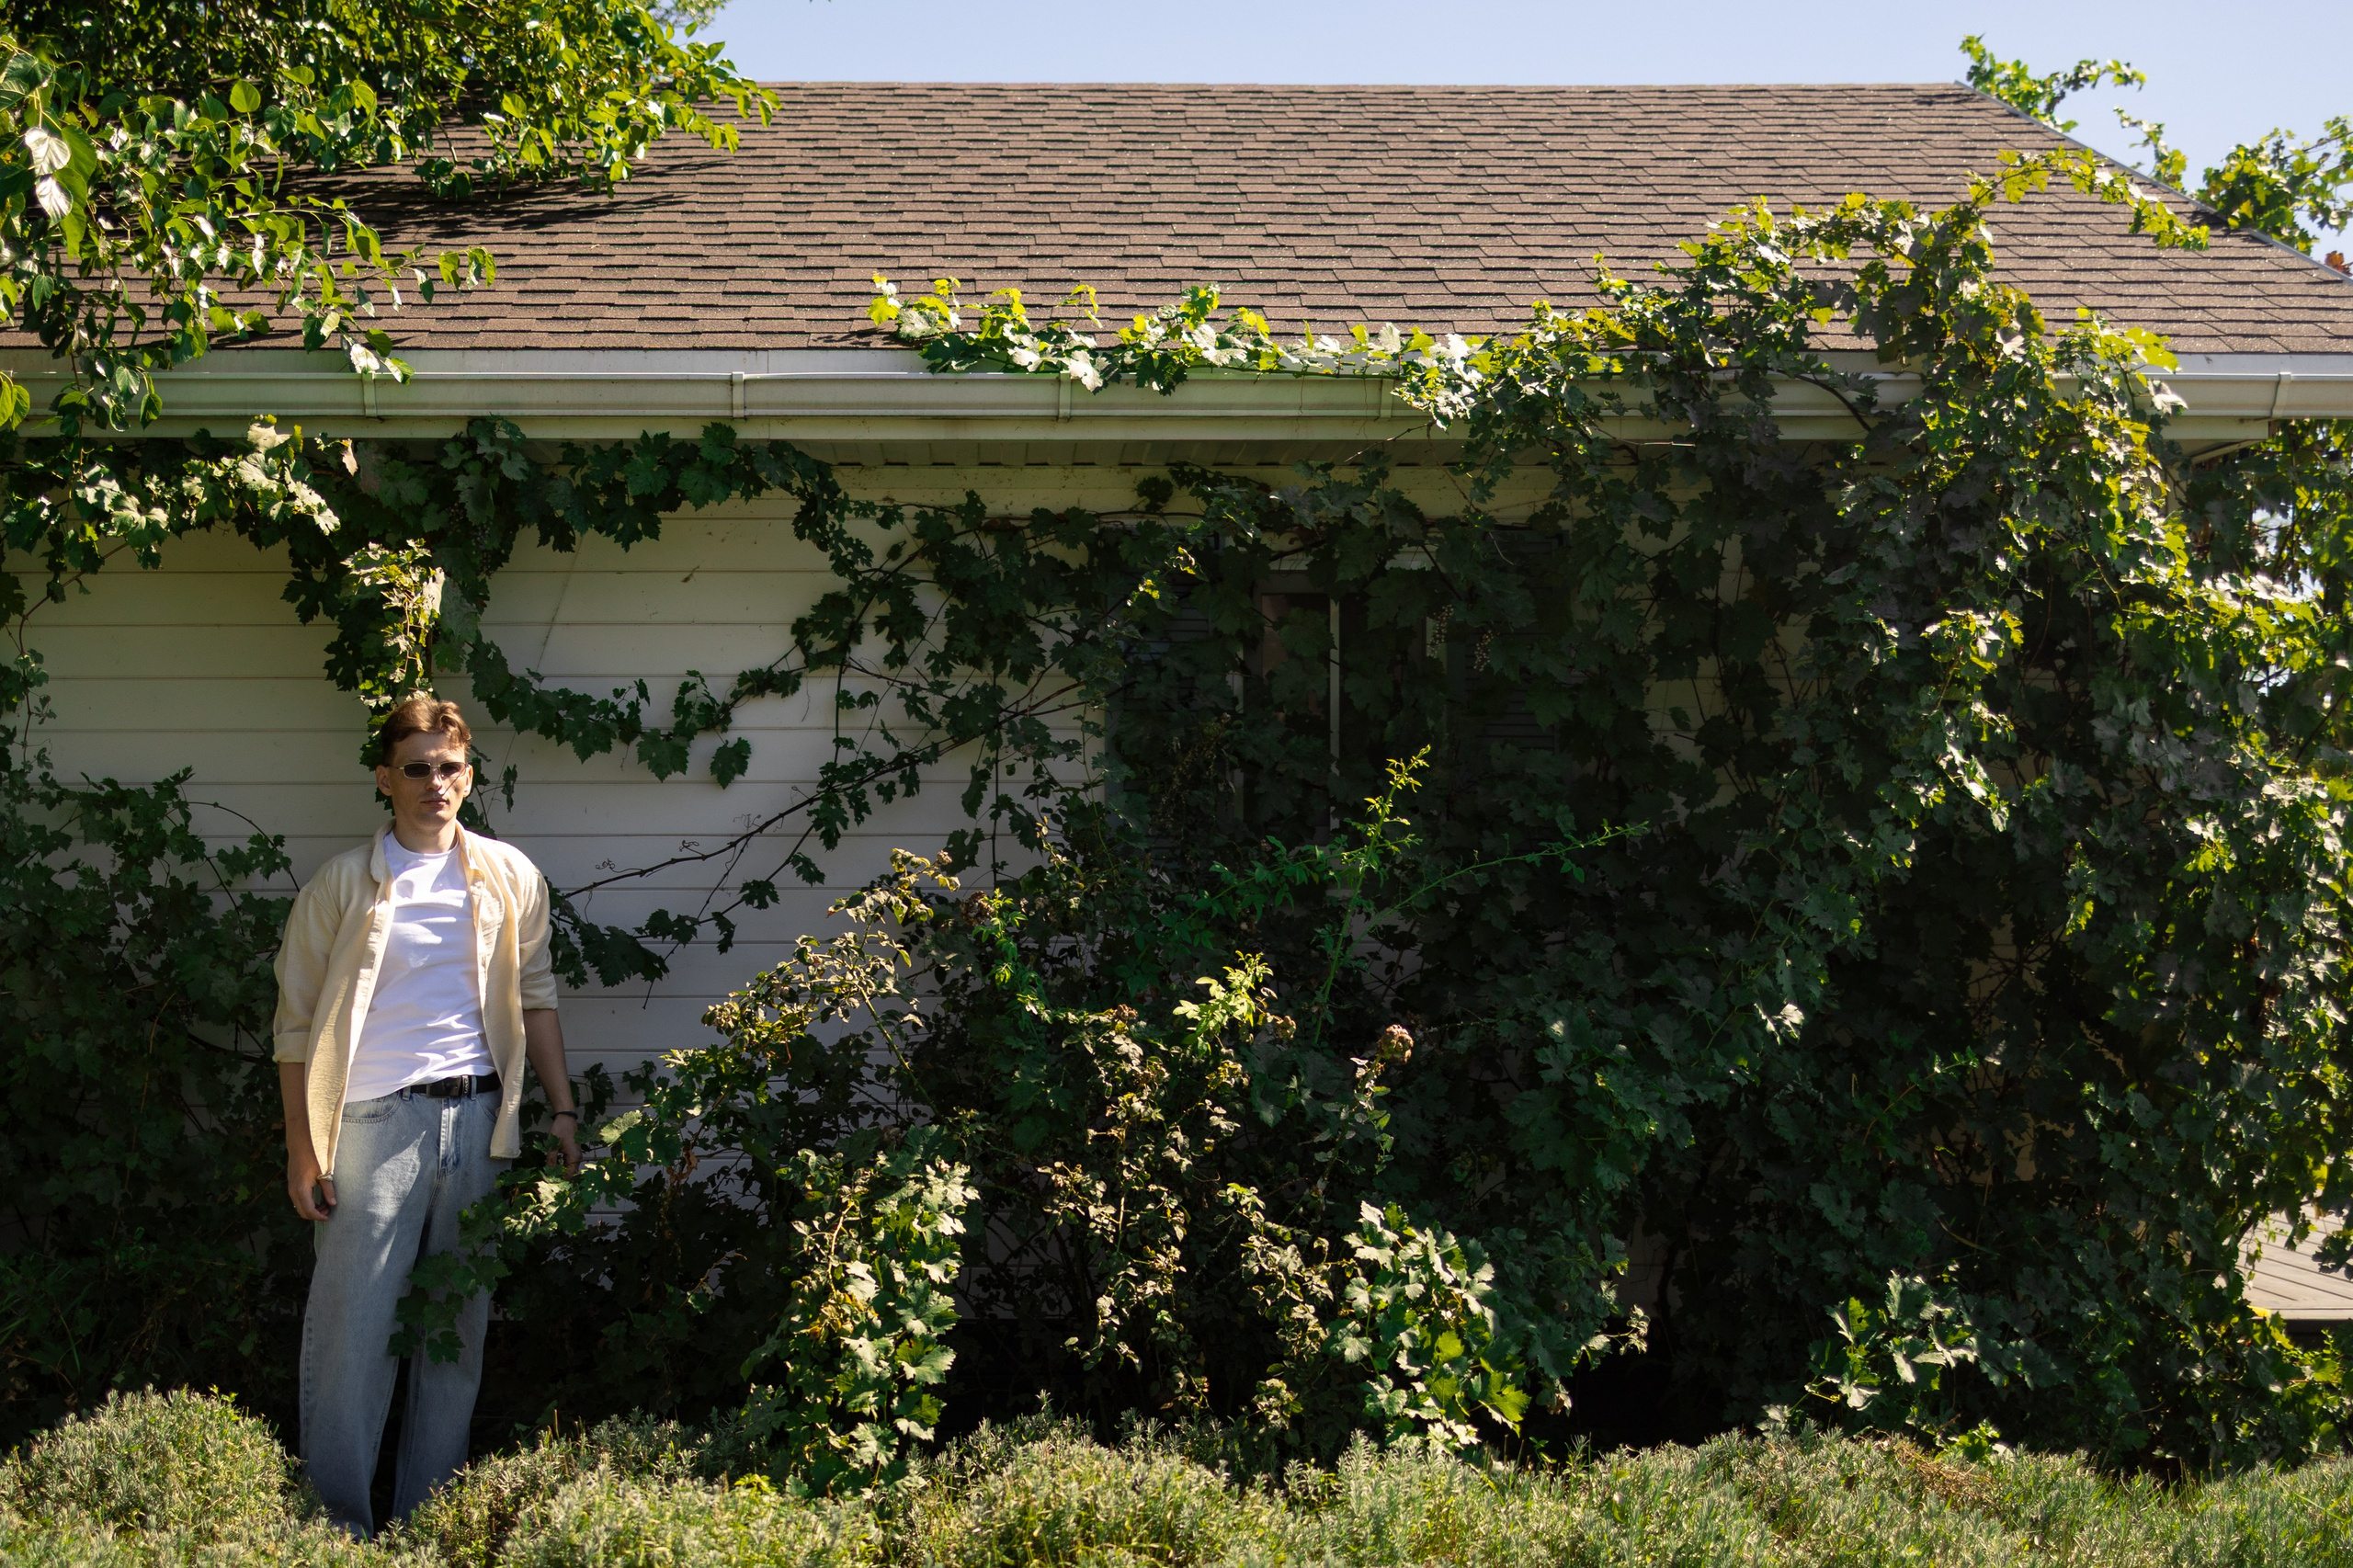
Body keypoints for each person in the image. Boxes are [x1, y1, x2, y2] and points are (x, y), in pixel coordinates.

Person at [272, 696, 581, 1537]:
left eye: (449, 768)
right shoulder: (343, 884)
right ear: (385, 778)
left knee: (455, 1334)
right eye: (416, 768)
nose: (434, 783)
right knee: (354, 1337)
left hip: (480, 1125)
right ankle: (336, 1531)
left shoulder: (509, 876)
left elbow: (538, 998)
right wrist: (304, 1149)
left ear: (468, 777)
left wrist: (561, 1109)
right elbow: (295, 1029)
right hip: (372, 1127)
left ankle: (427, 1525)